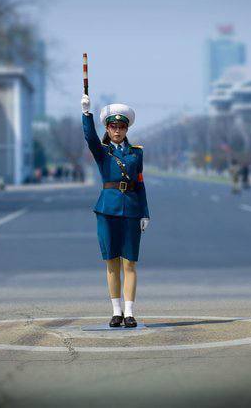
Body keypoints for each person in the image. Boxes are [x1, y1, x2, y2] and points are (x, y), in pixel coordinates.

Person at [81, 94, 150, 328]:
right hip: (107, 210)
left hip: (131, 209)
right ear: (108, 129)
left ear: (127, 128)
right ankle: (116, 311)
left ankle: (130, 312)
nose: (118, 131)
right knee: (111, 262)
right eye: (113, 127)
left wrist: (145, 212)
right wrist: (86, 114)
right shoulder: (102, 152)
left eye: (121, 127)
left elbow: (139, 184)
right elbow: (90, 138)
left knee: (129, 263)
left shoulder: (136, 153)